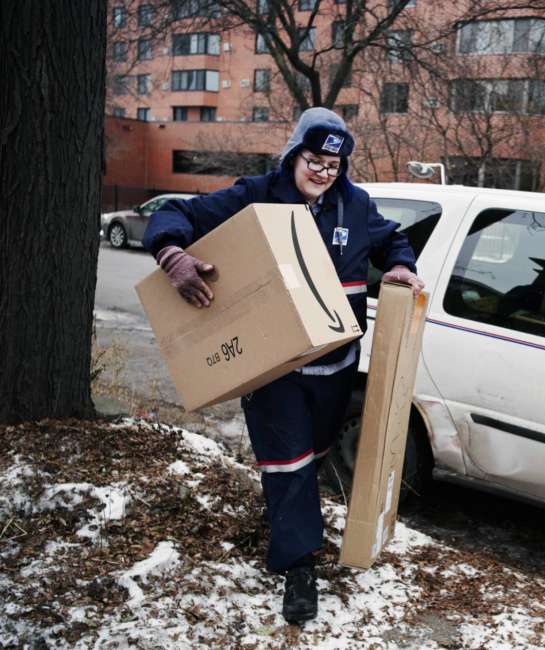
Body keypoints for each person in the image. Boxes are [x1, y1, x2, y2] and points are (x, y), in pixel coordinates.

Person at [142, 108, 424, 624]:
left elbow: (393, 241)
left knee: (310, 457)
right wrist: (171, 254)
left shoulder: (355, 204)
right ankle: (298, 565)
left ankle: (288, 519)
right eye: (314, 160)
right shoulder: (256, 194)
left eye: (333, 166)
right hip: (274, 369)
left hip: (335, 365)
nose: (322, 172)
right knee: (288, 459)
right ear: (294, 154)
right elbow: (178, 212)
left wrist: (402, 266)